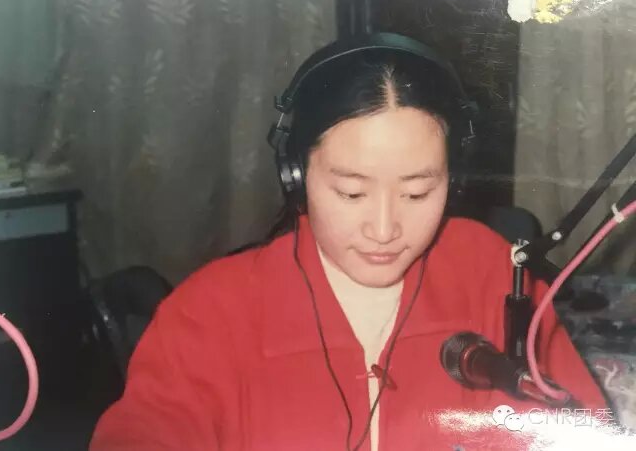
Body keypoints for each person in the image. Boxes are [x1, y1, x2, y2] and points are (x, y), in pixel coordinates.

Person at [89, 33, 609, 451]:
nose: (383, 230)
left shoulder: (491, 272)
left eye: (417, 193)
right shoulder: (210, 311)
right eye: (351, 192)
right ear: (296, 176)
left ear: (454, 182)